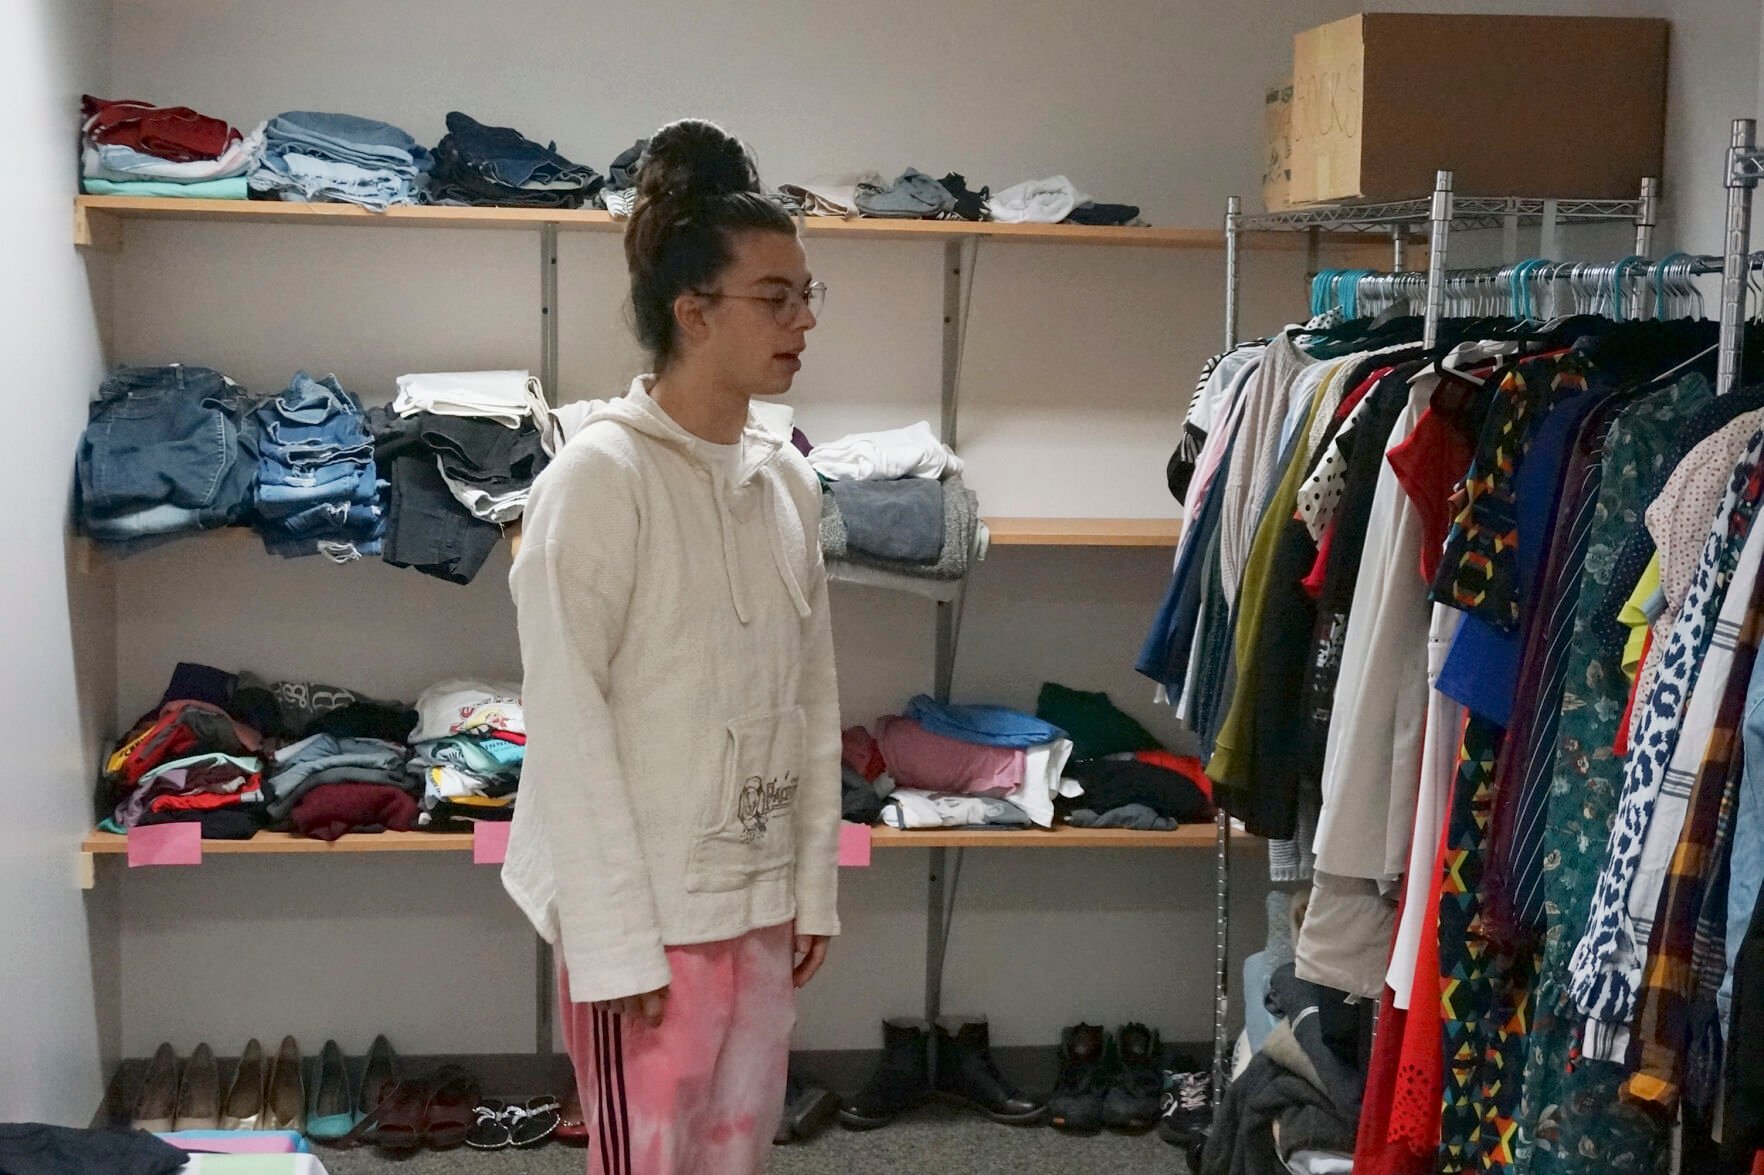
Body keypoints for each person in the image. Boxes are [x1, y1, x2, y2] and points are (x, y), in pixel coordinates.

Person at [502, 118, 840, 1175]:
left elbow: (813, 696)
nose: (801, 320)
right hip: (646, 920)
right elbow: (566, 723)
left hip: (755, 894)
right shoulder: (598, 481)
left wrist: (812, 882)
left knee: (737, 1150)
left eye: (807, 294)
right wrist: (611, 943)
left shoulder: (787, 478)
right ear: (693, 312)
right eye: (774, 297)